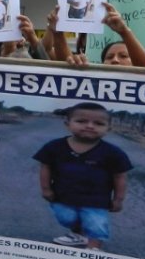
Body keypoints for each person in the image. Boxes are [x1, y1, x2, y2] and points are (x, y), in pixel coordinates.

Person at [34, 103, 132, 250]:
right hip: (62, 195)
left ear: (108, 129)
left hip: (96, 200)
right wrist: (46, 189)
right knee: (66, 217)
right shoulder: (54, 147)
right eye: (81, 121)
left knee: (96, 223)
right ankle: (78, 235)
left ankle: (93, 249)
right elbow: (45, 167)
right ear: (67, 124)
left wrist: (118, 199)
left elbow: (120, 176)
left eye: (98, 123)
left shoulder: (113, 153)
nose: (90, 126)